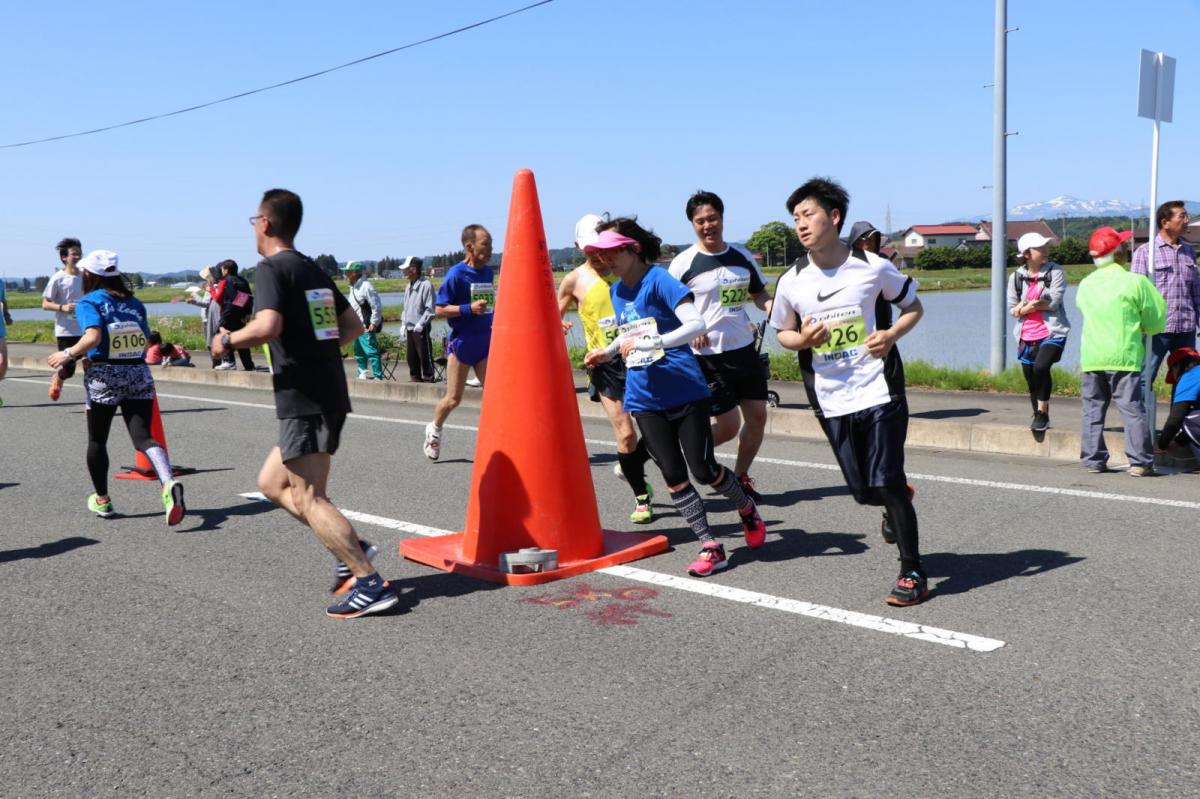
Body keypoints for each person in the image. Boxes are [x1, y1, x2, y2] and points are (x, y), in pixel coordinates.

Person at [213, 188, 396, 619]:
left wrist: (226, 340)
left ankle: (369, 581)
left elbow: (268, 324)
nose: (254, 227)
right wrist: (315, 351)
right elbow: (351, 326)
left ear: (266, 223)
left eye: (254, 220)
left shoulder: (272, 268)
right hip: (323, 389)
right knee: (271, 484)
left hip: (306, 397)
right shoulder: (312, 268)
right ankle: (352, 547)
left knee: (310, 496)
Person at [770, 177, 928, 606]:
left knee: (888, 481)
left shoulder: (872, 266)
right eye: (796, 218)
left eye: (808, 214)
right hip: (830, 395)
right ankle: (893, 500)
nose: (800, 224)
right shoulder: (792, 280)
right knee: (862, 491)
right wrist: (802, 341)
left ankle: (911, 570)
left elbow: (913, 306)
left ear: (834, 217)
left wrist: (891, 334)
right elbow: (782, 332)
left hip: (878, 389)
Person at [582, 218, 766, 577]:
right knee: (673, 476)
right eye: (599, 255)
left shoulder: (659, 281)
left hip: (683, 389)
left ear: (631, 248)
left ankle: (746, 508)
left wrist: (655, 342)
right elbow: (630, 333)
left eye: (610, 253)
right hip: (644, 395)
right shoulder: (618, 291)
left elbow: (695, 325)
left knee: (704, 470)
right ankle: (710, 545)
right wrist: (607, 351)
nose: (605, 261)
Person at [46, 250, 185, 525]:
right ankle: (167, 482)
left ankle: (102, 500)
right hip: (138, 372)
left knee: (98, 440)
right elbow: (146, 342)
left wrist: (69, 354)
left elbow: (93, 336)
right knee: (143, 437)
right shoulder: (134, 303)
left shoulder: (89, 301)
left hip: (104, 375)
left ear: (89, 274)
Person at [668, 191, 772, 502]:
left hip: (743, 350)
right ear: (692, 225)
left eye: (712, 218)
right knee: (727, 427)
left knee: (757, 418)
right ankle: (680, 453)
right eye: (700, 221)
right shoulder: (683, 263)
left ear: (722, 219)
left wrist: (778, 310)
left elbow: (759, 296)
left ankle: (740, 478)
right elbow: (666, 308)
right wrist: (688, 331)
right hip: (706, 357)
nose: (707, 225)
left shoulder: (740, 256)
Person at [558, 213, 654, 524]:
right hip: (605, 364)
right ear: (578, 247)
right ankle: (641, 497)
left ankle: (629, 464)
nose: (598, 256)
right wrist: (555, 323)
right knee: (626, 434)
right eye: (589, 250)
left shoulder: (626, 269)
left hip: (640, 357)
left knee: (656, 432)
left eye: (601, 248)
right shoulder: (574, 279)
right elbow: (545, 315)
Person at [1077, 226, 1166, 476]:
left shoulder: (1086, 284)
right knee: (1131, 409)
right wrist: (1147, 328)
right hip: (1123, 355)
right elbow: (1156, 316)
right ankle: (1139, 462)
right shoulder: (1134, 281)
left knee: (1093, 409)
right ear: (1119, 253)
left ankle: (1094, 459)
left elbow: (1083, 309)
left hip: (1092, 356)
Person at [424, 224, 494, 461]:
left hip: (485, 343)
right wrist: (467, 309)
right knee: (454, 398)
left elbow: (488, 306)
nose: (491, 250)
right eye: (486, 245)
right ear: (469, 246)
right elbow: (439, 308)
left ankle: (499, 442)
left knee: (495, 397)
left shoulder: (487, 273)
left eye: (492, 245)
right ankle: (434, 429)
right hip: (462, 345)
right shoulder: (456, 274)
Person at [1006, 231, 1070, 432]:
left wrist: (1025, 307)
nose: (1045, 251)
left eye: (1046, 247)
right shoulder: (1016, 277)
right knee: (1031, 378)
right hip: (1026, 335)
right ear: (1026, 254)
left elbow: (1052, 302)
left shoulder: (1055, 272)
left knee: (1041, 367)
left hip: (1053, 332)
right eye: (1040, 248)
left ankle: (1042, 413)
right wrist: (1030, 305)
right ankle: (1039, 416)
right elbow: (1011, 308)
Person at [1131, 201, 1198, 387]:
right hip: (1156, 329)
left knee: (1187, 381)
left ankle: (1179, 417)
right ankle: (1142, 416)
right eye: (1181, 216)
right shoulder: (1145, 253)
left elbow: (1196, 292)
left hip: (1186, 327)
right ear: (1165, 222)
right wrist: (1138, 325)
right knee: (1144, 378)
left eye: (1187, 216)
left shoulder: (1189, 251)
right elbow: (1136, 292)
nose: (1186, 220)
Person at [42, 237, 85, 401]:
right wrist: (62, 307)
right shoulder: (57, 278)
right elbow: (45, 304)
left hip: (86, 328)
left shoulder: (86, 276)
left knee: (93, 365)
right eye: (73, 254)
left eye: (79, 254)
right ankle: (58, 377)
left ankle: (93, 402)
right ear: (64, 257)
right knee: (69, 369)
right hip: (66, 330)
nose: (77, 257)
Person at [1156, 347, 1200, 463]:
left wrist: (1162, 445)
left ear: (1177, 366)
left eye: (1172, 372)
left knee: (1187, 417)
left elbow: (1175, 419)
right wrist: (1178, 442)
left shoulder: (1190, 377)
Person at [342, 261, 384, 380]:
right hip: (356, 326)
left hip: (366, 326)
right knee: (359, 352)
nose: (345, 274)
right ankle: (362, 373)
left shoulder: (366, 286)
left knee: (371, 351)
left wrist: (374, 323)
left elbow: (376, 306)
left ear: (354, 273)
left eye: (347, 272)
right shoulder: (353, 287)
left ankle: (378, 376)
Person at [211, 259, 255, 371]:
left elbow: (232, 301)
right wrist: (248, 313)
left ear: (226, 270)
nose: (221, 271)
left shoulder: (228, 281)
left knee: (222, 335)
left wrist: (223, 321)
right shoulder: (243, 280)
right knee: (241, 340)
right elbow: (249, 298)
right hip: (242, 315)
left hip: (230, 314)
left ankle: (229, 362)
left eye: (222, 269)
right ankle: (249, 365)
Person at [401, 257, 436, 382]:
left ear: (414, 269)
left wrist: (421, 323)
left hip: (421, 327)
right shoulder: (408, 286)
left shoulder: (426, 285)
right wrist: (403, 323)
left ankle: (429, 378)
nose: (403, 272)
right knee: (411, 357)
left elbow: (430, 308)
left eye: (405, 269)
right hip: (409, 327)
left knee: (424, 355)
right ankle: (415, 379)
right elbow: (405, 307)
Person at [185, 266, 223, 368]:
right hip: (214, 317)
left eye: (206, 277)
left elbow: (205, 304)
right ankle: (219, 362)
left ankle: (216, 363)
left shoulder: (211, 287)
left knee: (210, 343)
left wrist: (193, 300)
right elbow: (207, 302)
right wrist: (195, 296)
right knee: (216, 341)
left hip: (208, 318)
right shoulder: (216, 285)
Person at [0, 278, 11, 407]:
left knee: (3, 364)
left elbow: (3, 300)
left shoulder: (0, 282)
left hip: (0, 329)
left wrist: (7, 315)